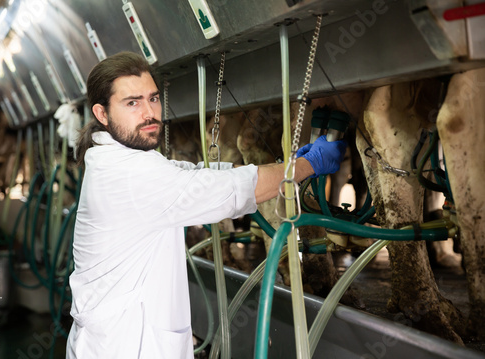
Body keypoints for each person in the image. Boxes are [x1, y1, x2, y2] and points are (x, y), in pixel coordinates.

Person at [66, 51, 346, 358]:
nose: (149, 112)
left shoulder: (122, 162)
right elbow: (224, 191)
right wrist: (304, 167)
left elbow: (193, 176)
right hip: (127, 346)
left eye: (153, 98)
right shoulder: (129, 176)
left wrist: (283, 167)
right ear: (102, 114)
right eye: (132, 103)